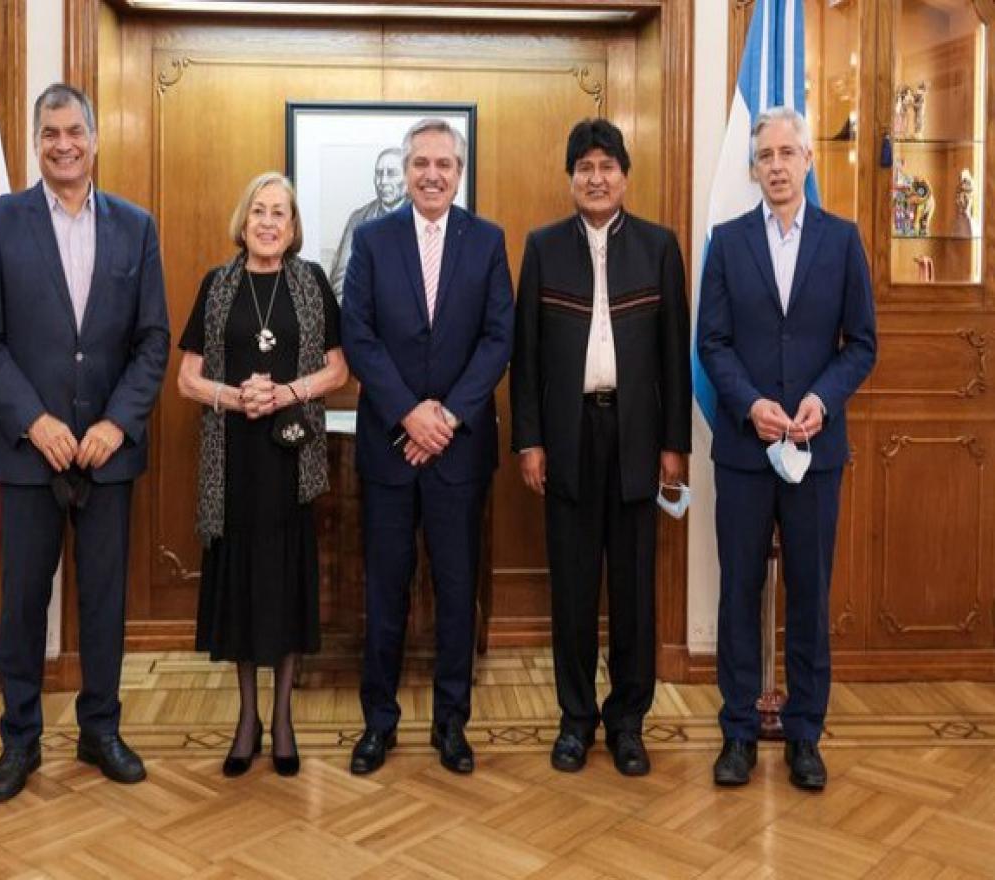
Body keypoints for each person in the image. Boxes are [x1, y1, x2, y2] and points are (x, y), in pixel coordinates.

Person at [0, 83, 170, 802]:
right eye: (49, 132)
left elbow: (153, 341)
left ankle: (100, 729)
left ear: (92, 137)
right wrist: (35, 420)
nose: (62, 144)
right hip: (30, 454)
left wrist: (116, 423)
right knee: (23, 601)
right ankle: (20, 741)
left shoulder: (136, 227)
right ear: (35, 139)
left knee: (105, 600)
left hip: (109, 455)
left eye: (73, 131)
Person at [698, 106, 876, 792]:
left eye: (787, 153)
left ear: (808, 161)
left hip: (815, 451)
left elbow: (861, 343)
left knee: (808, 593)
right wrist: (751, 404)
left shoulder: (842, 240)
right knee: (739, 593)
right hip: (745, 452)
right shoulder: (727, 239)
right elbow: (711, 341)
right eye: (764, 155)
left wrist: (821, 400)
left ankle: (805, 734)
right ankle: (738, 734)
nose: (775, 165)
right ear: (752, 167)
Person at [510, 118, 691, 778]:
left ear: (624, 175)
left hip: (638, 439)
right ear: (570, 178)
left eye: (606, 165)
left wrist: (675, 446)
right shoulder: (542, 247)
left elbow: (675, 351)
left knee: (634, 589)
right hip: (566, 439)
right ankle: (575, 719)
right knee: (575, 589)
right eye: (583, 166)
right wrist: (528, 440)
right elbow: (523, 356)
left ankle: (628, 722)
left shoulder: (658, 247)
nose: (595, 177)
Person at [341, 118, 514, 776]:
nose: (432, 174)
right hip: (390, 448)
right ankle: (377, 724)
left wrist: (446, 417)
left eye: (444, 164)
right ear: (406, 170)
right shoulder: (373, 239)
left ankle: (451, 725)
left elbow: (499, 338)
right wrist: (410, 415)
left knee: (454, 591)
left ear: (459, 172)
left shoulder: (487, 240)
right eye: (421, 164)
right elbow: (358, 334)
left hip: (460, 453)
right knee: (384, 593)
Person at [176, 172, 348, 777]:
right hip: (233, 461)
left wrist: (283, 393)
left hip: (290, 458)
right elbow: (186, 379)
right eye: (259, 212)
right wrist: (235, 395)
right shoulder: (218, 285)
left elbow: (338, 370)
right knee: (243, 587)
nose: (269, 222)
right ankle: (246, 718)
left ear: (294, 227)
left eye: (280, 213)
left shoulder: (311, 283)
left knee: (286, 585)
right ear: (243, 222)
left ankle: (282, 720)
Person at [328, 147, 408, 296]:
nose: (383, 181)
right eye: (379, 174)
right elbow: (340, 278)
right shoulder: (358, 219)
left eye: (391, 174)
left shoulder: (423, 218)